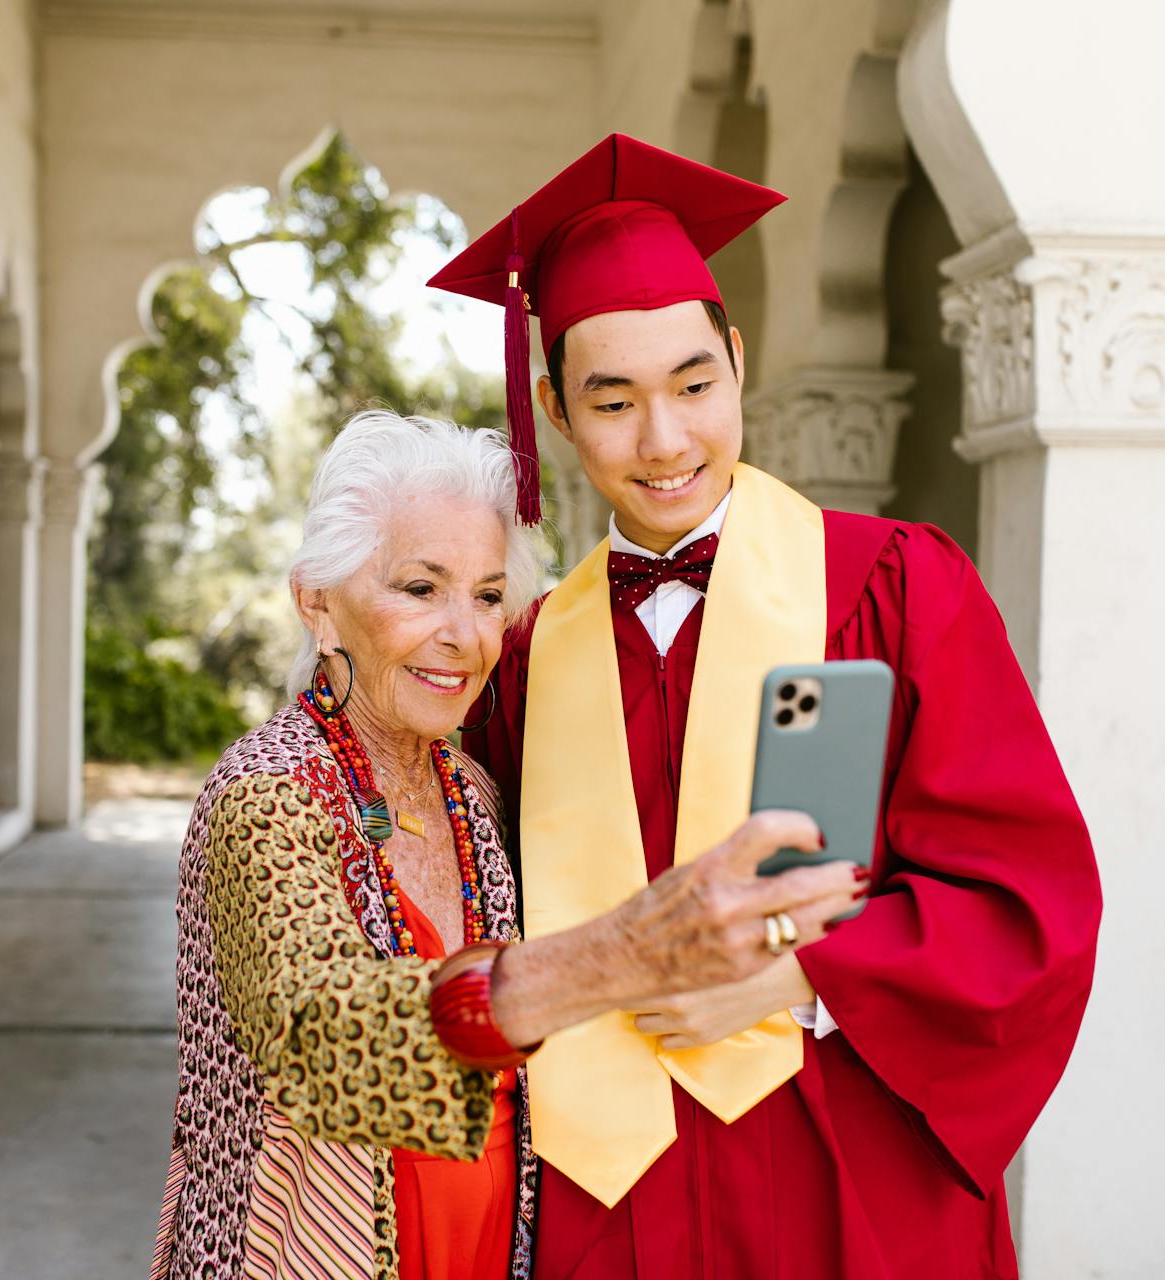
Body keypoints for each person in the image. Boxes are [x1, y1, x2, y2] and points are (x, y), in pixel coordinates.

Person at [431, 135, 1103, 1278]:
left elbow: (1025, 900)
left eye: (695, 384)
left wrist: (797, 976)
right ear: (553, 408)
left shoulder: (893, 583)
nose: (666, 439)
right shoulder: (534, 656)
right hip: (614, 1204)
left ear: (738, 361)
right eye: (614, 400)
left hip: (848, 1165)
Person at [151, 411, 864, 1280]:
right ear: (318, 602)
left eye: (489, 596)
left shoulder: (472, 792)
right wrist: (621, 953)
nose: (465, 634)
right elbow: (320, 1032)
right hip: (316, 1248)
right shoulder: (266, 796)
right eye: (420, 589)